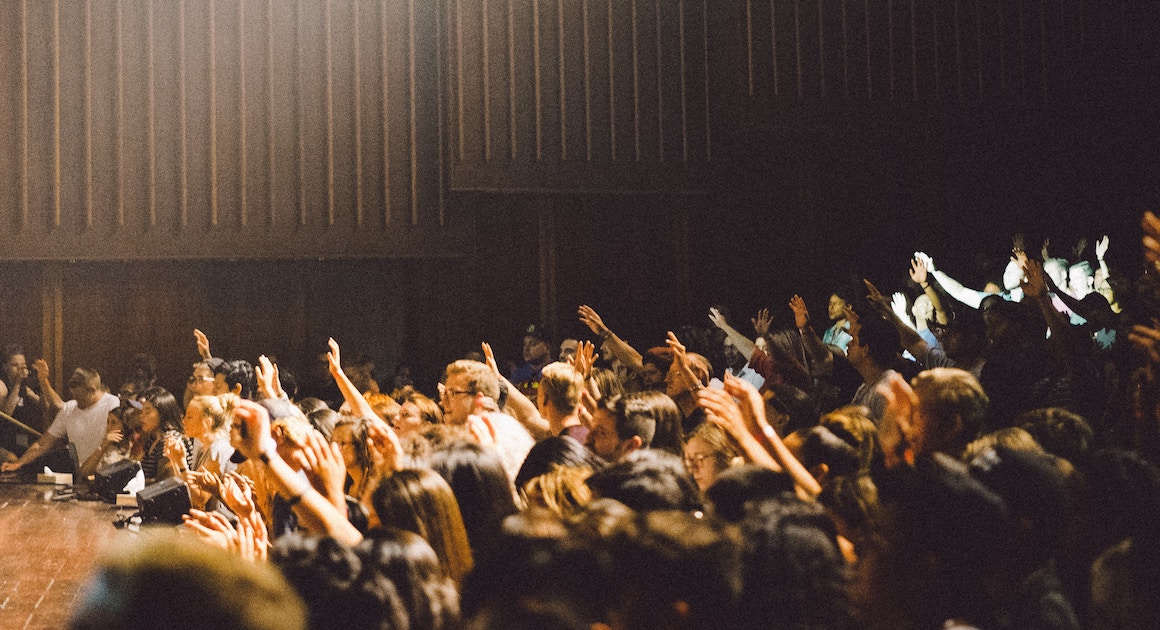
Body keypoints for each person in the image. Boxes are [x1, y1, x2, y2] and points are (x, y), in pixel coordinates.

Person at [2, 368, 119, 472]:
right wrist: (19, 463)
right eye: (74, 396)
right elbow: (42, 444)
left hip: (111, 471)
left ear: (92, 391)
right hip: (83, 473)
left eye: (79, 397)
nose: (76, 401)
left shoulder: (114, 405)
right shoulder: (69, 408)